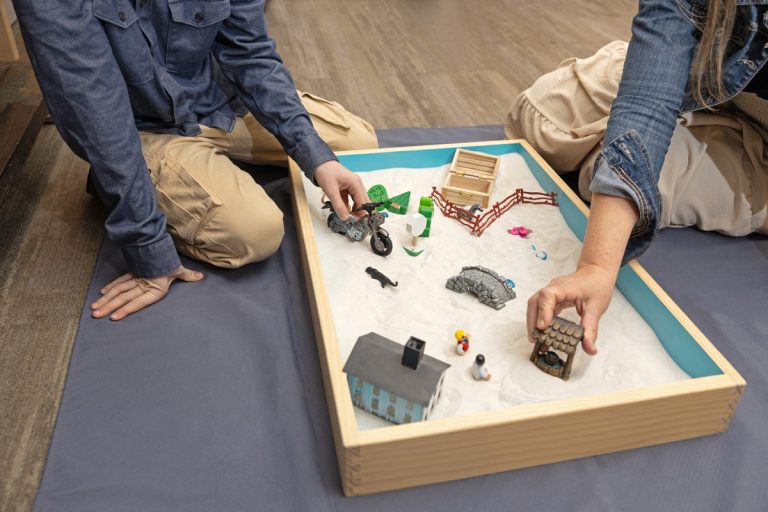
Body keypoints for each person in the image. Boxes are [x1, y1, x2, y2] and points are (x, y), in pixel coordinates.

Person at [13, 0, 377, 321]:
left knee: (358, 143)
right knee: (256, 232)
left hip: (220, 101)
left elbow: (249, 52)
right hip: (141, 127)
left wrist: (315, 157)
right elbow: (94, 108)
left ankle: (196, 175)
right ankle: (132, 179)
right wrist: (146, 245)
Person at [507, 0, 768, 354]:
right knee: (540, 114)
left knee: (640, 186)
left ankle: (688, 138)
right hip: (714, 78)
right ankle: (677, 114)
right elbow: (647, 98)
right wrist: (596, 266)